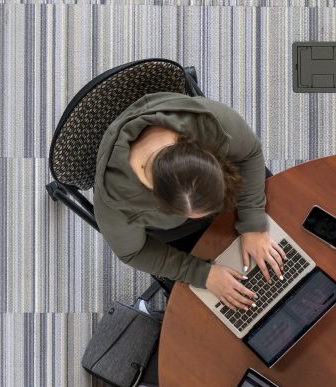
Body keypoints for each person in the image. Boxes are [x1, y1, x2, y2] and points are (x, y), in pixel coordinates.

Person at [93, 92, 286, 311]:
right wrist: (203, 274)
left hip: (232, 191)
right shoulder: (117, 200)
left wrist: (253, 225)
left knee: (292, 224)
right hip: (181, 234)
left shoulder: (208, 122)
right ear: (163, 206)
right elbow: (133, 253)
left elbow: (249, 153)